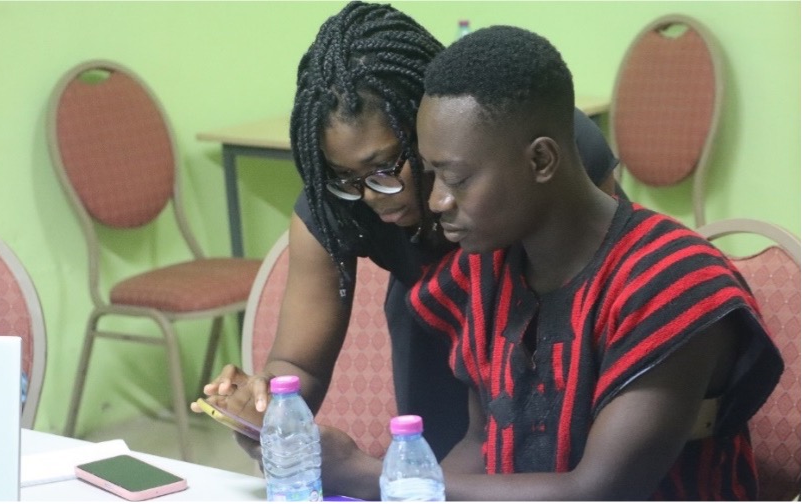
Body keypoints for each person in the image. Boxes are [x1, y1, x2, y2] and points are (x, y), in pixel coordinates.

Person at [315, 26, 784, 500]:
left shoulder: (671, 282)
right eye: (432, 176)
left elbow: (599, 491)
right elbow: (480, 447)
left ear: (541, 160)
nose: (436, 201)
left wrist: (371, 475)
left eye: (456, 179)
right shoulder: (486, 273)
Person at [193, 1, 622, 461]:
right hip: (428, 325)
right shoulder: (339, 203)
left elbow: (616, 270)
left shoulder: (532, 139)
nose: (373, 196)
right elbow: (299, 362)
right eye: (345, 177)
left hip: (555, 319)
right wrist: (266, 407)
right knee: (438, 455)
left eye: (384, 168)